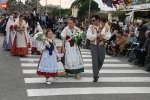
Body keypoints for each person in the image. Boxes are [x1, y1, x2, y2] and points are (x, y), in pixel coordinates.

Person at [86, 15, 106, 82]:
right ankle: (95, 76)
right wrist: (96, 35)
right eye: (92, 20)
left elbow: (108, 35)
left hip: (101, 45)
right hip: (93, 45)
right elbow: (88, 36)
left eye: (94, 20)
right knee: (95, 61)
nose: (92, 21)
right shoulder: (90, 28)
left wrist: (103, 36)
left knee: (101, 60)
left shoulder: (104, 27)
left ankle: (96, 71)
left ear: (98, 20)